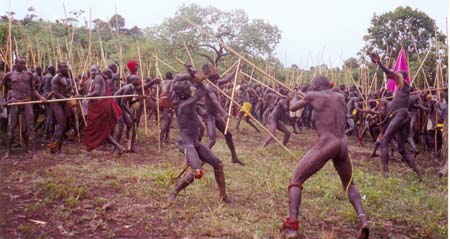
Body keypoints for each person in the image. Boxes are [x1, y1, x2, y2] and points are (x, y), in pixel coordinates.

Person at [280, 76, 369, 239]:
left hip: (327, 143)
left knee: (296, 180)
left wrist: (292, 96)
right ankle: (363, 220)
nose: (311, 86)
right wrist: (303, 95)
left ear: (317, 85)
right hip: (342, 144)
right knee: (349, 183)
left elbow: (292, 109)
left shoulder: (312, 95)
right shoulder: (340, 97)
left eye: (313, 84)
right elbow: (321, 101)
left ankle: (292, 227)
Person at [168, 66, 231, 203]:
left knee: (218, 164)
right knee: (198, 172)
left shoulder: (176, 99)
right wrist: (199, 79)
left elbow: (176, 80)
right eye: (187, 88)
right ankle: (174, 192)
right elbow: (201, 91)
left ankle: (223, 196)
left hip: (194, 142)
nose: (190, 89)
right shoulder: (187, 104)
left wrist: (190, 75)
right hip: (186, 144)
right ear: (184, 92)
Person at [370, 53, 421, 179]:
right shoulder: (400, 90)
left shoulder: (403, 83)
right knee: (401, 149)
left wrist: (379, 63)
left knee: (384, 142)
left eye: (396, 75)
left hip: (401, 115)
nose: (392, 77)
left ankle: (385, 175)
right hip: (399, 115)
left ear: (401, 77)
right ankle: (418, 174)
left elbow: (392, 73)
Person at [1, 58, 47, 160]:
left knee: (30, 126)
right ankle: (8, 152)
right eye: (21, 63)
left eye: (24, 63)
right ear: (16, 64)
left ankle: (33, 152)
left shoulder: (29, 74)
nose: (23, 65)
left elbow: (33, 89)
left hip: (27, 101)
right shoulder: (9, 75)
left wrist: (40, 97)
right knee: (12, 126)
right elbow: (3, 87)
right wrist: (4, 99)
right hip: (15, 102)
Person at [84, 64, 125, 156]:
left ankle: (89, 151)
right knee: (101, 130)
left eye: (94, 70)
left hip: (100, 107)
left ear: (98, 71)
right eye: (91, 70)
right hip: (98, 106)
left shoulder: (98, 78)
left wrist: (87, 96)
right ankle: (119, 147)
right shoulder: (97, 78)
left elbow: (97, 92)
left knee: (93, 128)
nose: (92, 72)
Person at [47, 62, 74, 157]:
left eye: (67, 67)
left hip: (64, 102)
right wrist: (66, 99)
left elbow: (69, 90)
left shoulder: (67, 78)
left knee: (65, 125)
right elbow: (54, 92)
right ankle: (59, 150)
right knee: (61, 125)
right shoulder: (56, 78)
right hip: (57, 103)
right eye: (65, 67)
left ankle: (52, 145)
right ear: (59, 69)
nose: (67, 68)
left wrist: (72, 95)